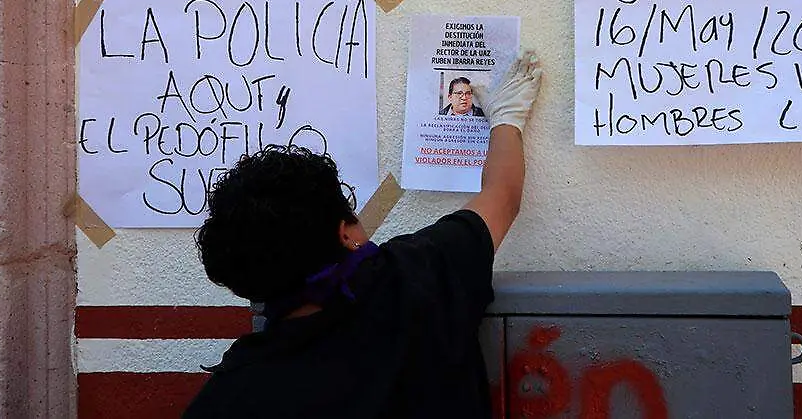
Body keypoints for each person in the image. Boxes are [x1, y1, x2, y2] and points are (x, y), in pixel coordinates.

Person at [185, 52, 543, 419]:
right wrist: (506, 117)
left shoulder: (231, 395)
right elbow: (502, 196)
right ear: (346, 235)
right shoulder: (416, 276)